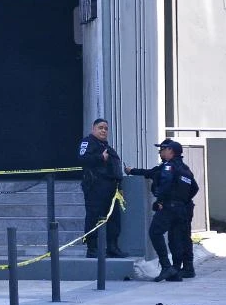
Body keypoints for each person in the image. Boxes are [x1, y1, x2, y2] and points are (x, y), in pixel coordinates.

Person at [126, 139, 198, 281]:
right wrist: (183, 200)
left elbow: (165, 182)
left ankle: (166, 266)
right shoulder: (185, 169)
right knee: (177, 238)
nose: (160, 151)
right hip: (183, 209)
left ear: (170, 150)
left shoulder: (168, 167)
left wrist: (159, 200)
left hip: (170, 207)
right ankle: (177, 270)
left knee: (155, 232)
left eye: (163, 149)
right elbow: (194, 188)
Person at [77, 118, 126, 258]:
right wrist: (100, 157)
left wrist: (120, 186)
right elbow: (82, 158)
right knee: (93, 217)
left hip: (111, 189)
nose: (103, 130)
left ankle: (112, 247)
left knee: (114, 219)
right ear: (93, 129)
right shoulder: (88, 142)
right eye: (100, 128)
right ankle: (92, 249)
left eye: (106, 128)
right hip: (95, 187)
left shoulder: (107, 147)